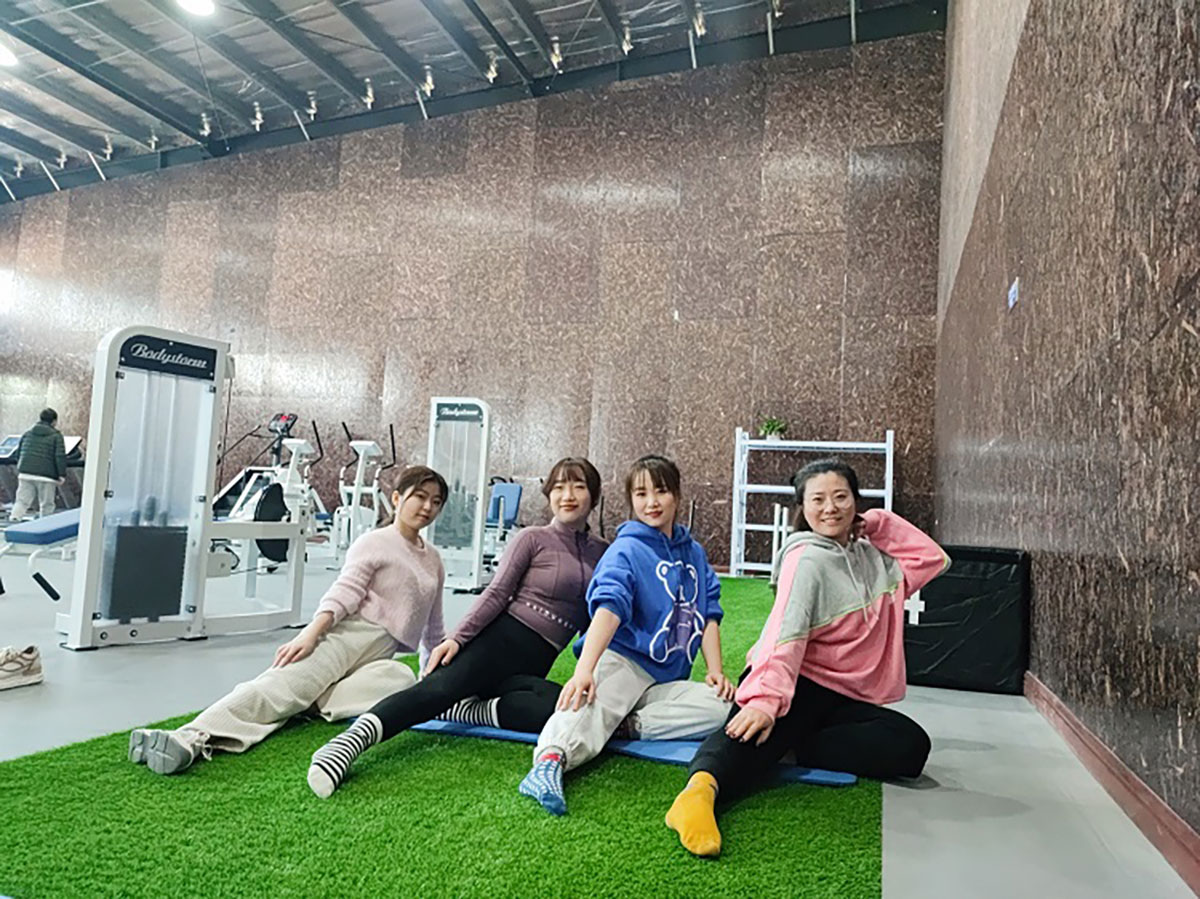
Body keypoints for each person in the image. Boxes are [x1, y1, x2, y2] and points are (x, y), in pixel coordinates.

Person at [665, 457, 950, 857]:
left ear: (856, 502)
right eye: (818, 499)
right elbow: (786, 632)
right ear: (802, 507)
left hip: (844, 695)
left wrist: (878, 523)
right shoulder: (806, 559)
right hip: (795, 681)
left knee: (910, 746)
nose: (830, 508)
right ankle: (697, 795)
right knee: (749, 732)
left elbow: (931, 559)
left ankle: (789, 745)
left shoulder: (873, 558)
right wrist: (765, 700)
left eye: (840, 497)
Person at [306, 457, 610, 798]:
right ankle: (345, 746)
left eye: (578, 486)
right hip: (499, 642)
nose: (567, 495)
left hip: (537, 662)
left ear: (593, 496)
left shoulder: (603, 552)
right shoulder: (533, 538)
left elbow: (599, 615)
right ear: (549, 494)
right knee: (435, 691)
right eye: (559, 487)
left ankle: (464, 710)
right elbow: (496, 593)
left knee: (558, 707)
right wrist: (457, 639)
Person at [128, 465, 449, 775]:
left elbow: (434, 628)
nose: (427, 507)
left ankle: (308, 702)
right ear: (397, 498)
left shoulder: (433, 560)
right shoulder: (375, 542)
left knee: (401, 679)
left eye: (436, 502)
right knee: (276, 688)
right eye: (420, 496)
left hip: (380, 654)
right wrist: (311, 634)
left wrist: (436, 678)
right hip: (345, 637)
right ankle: (188, 738)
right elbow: (345, 592)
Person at [518, 454, 734, 816]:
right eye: (641, 494)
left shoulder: (694, 553)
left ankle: (626, 726)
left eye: (661, 491)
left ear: (677, 495)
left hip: (665, 677)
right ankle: (549, 764)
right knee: (587, 701)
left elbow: (709, 612)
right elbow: (610, 607)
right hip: (624, 660)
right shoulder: (627, 549)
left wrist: (715, 671)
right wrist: (585, 670)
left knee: (725, 707)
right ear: (631, 500)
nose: (652, 502)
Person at [10, 408, 66, 521]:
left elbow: (18, 453)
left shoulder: (28, 433)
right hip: (46, 476)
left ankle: (14, 519)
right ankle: (45, 524)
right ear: (54, 421)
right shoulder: (56, 436)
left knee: (22, 501)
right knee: (46, 504)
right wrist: (61, 474)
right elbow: (59, 456)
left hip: (25, 473)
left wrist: (22, 467)